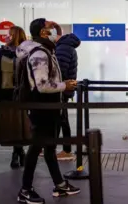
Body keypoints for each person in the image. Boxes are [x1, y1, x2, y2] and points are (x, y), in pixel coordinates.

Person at [16, 18, 79, 204]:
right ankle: (25, 189)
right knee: (36, 148)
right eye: (50, 27)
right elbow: (42, 85)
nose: (53, 30)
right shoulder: (40, 54)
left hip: (49, 106)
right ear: (42, 32)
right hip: (42, 106)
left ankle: (59, 184)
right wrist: (64, 85)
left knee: (49, 147)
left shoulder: (46, 50)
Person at [0, 26, 28, 169]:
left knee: (14, 124)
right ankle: (19, 153)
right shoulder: (26, 52)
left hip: (6, 92)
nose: (7, 36)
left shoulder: (1, 52)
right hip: (21, 92)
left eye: (9, 34)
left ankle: (17, 154)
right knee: (18, 124)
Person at [55, 32, 81, 161]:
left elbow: (59, 71)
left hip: (61, 89)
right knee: (59, 118)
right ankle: (57, 148)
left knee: (61, 119)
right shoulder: (67, 47)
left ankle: (66, 150)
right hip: (64, 88)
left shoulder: (63, 48)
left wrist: (55, 85)